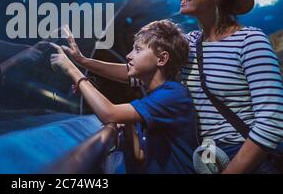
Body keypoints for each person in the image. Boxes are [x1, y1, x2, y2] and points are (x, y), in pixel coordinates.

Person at [59, 0, 283, 174]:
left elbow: (271, 121)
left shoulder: (250, 41)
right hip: (206, 159)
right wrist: (83, 61)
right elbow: (137, 70)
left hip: (247, 159)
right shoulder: (191, 43)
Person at [51, 20, 198, 173]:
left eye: (138, 50)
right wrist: (127, 123)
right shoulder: (155, 96)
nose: (128, 56)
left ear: (161, 59)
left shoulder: (173, 95)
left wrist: (71, 69)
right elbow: (139, 155)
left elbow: (109, 113)